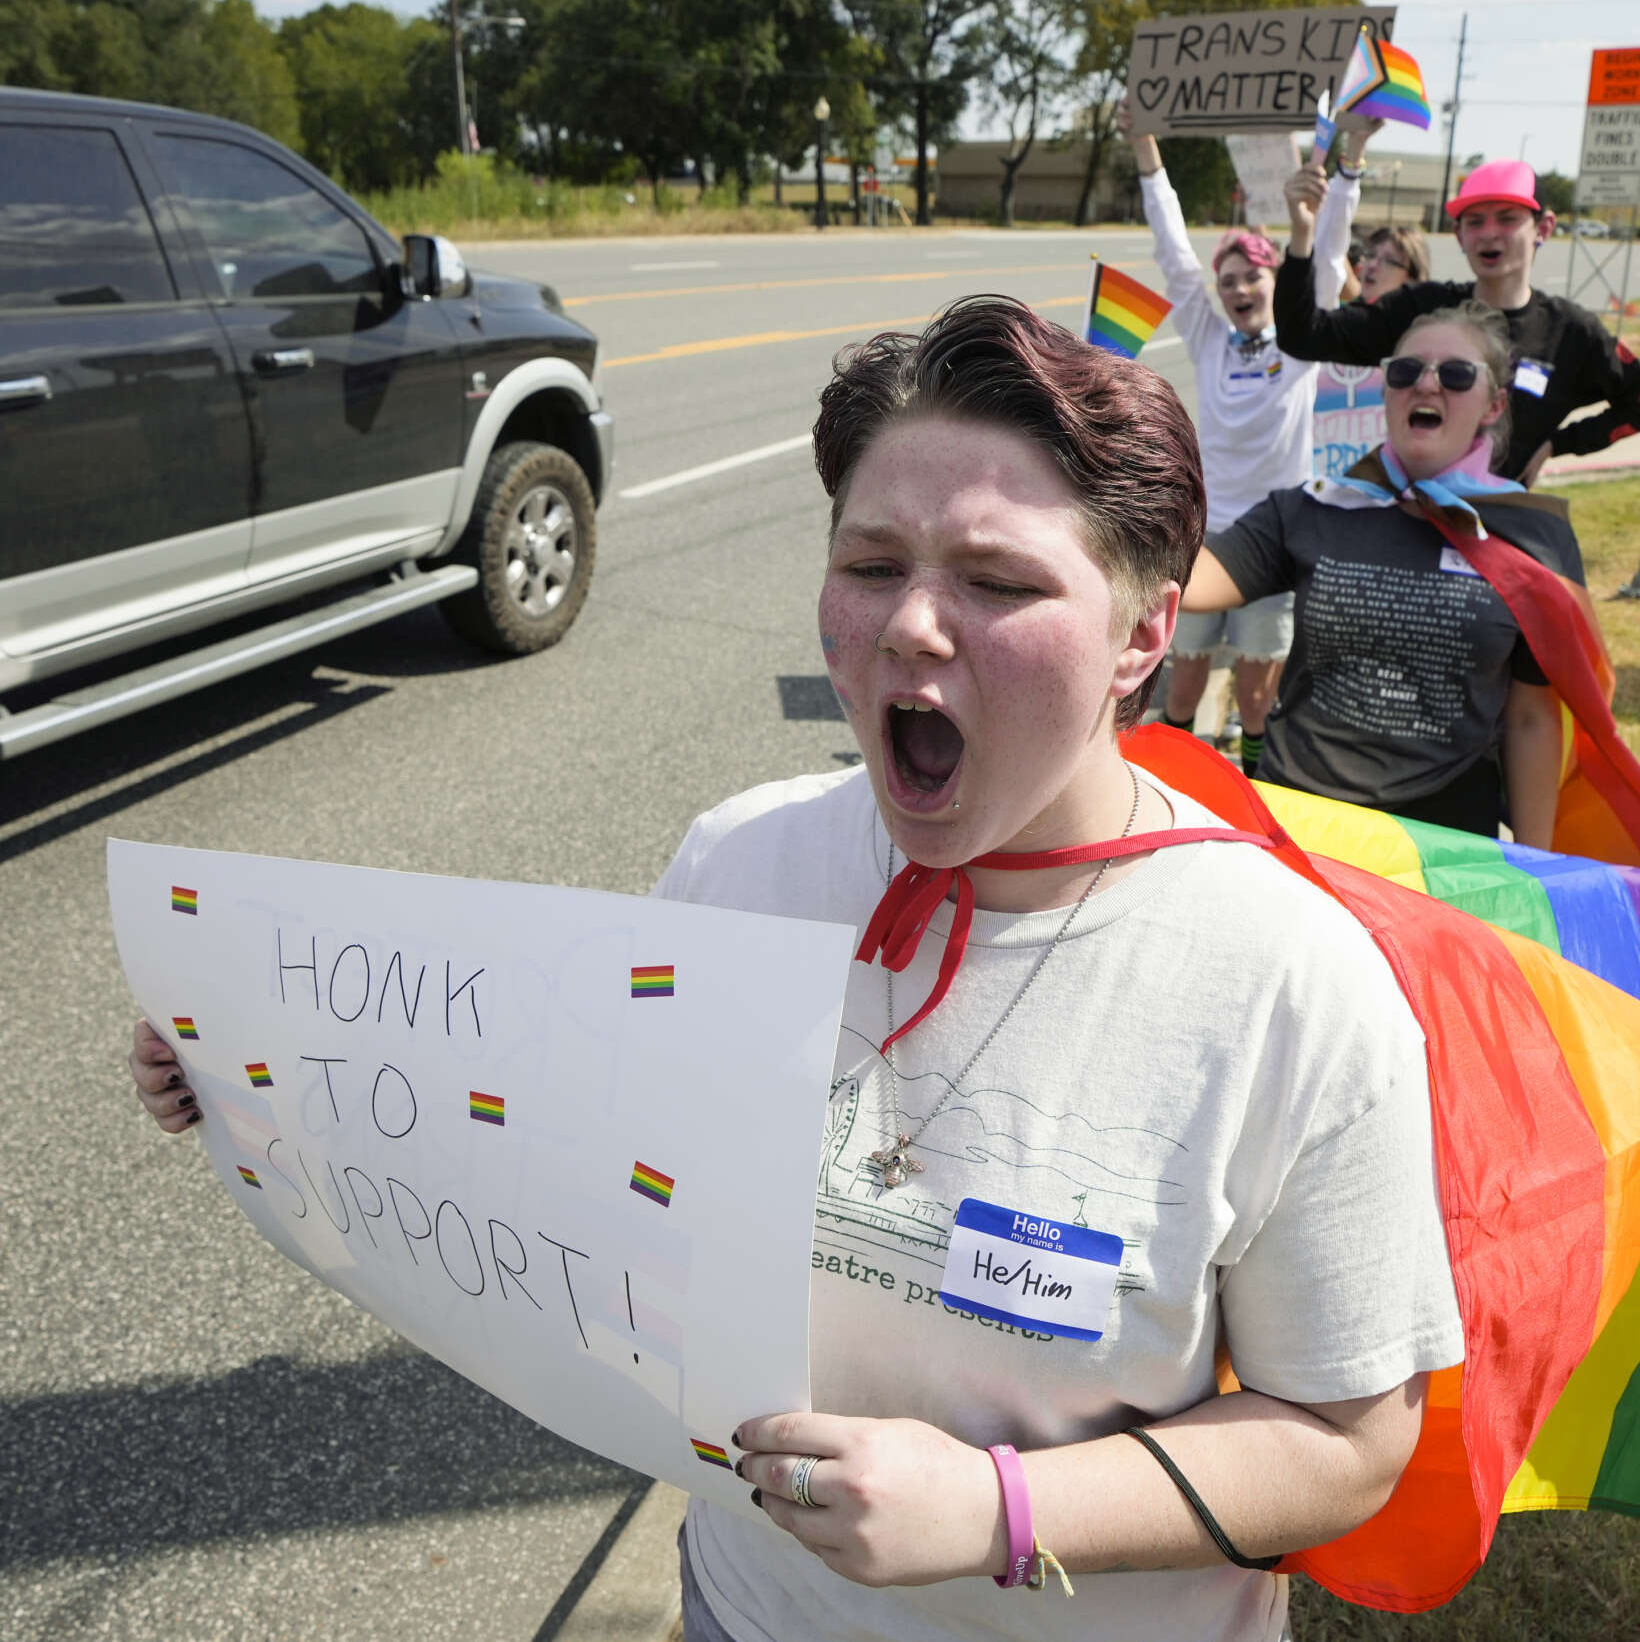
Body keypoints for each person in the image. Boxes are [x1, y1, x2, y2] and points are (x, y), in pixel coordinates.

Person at [130, 294, 1465, 1642]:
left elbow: (1344, 1435)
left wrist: (1005, 1507)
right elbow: (575, 1150)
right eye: (871, 563)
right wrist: (268, 1061)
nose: (913, 628)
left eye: (998, 582)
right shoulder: (735, 863)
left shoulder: (1291, 982)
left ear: (1142, 633)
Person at [1181, 302, 1579, 843]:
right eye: (1406, 370)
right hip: (1301, 822)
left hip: (1443, 841)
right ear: (1387, 390)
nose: (1427, 386)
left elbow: (1533, 718)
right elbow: (1190, 581)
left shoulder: (1534, 535)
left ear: (1493, 404)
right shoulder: (1316, 507)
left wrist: (1540, 873)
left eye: (1457, 375)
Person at [1271, 116, 1640, 485]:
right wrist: (1303, 236)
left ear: (1543, 228)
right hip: (1406, 522)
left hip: (1499, 532)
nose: (1489, 233)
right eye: (1475, 222)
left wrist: (1557, 444)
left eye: (1507, 218)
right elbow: (1301, 335)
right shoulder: (1421, 309)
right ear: (1459, 236)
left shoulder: (1571, 332)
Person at [1126, 107, 1346, 770]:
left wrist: (1343, 176)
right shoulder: (1209, 338)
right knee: (1184, 684)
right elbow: (1173, 249)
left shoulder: (1304, 343)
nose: (1239, 289)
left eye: (1252, 275)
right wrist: (1145, 147)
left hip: (1275, 546)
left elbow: (1330, 259)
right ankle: (1175, 777)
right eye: (1228, 282)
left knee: (1256, 697)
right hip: (1204, 542)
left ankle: (1252, 785)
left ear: (1276, 280)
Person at [1291, 133, 1435, 482]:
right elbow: (1328, 255)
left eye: (1388, 261)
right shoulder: (1339, 326)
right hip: (1321, 490)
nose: (1370, 265)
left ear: (1414, 279)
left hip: (1391, 493)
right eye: (1370, 256)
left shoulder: (1427, 348)